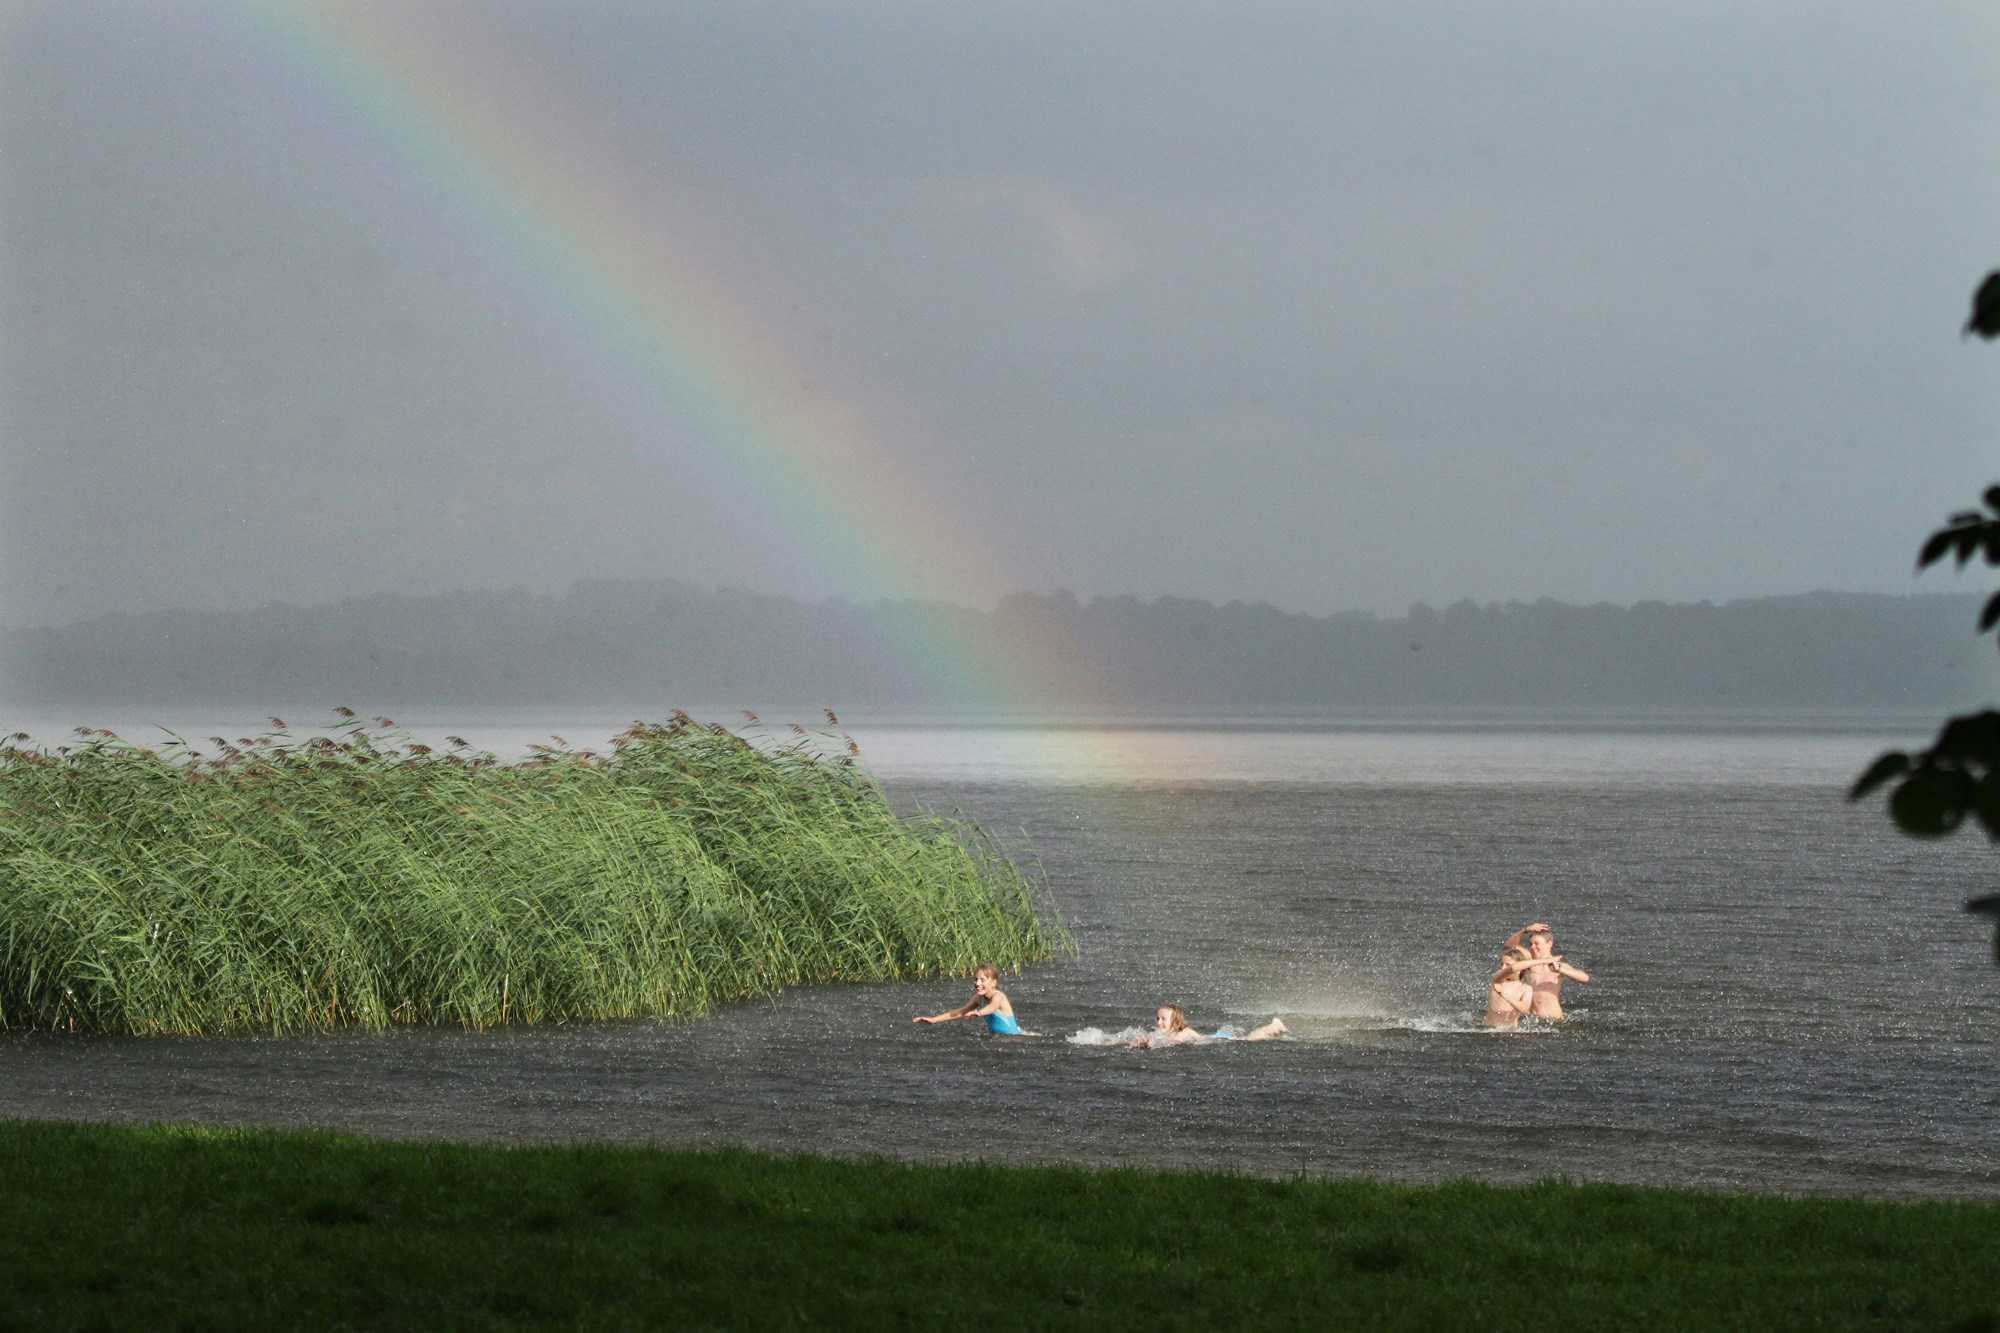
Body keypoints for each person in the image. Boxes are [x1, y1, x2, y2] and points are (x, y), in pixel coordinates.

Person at [912, 963, 1036, 1036]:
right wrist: (934, 1019)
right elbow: (960, 1012)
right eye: (976, 979)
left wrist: (978, 1013)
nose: (977, 983)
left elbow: (992, 1007)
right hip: (998, 1038)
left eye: (982, 980)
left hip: (1013, 1038)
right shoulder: (978, 998)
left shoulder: (999, 996)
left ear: (993, 982)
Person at [1517, 925, 1590, 1020]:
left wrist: (1560, 969)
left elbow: (1585, 978)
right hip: (1531, 1022)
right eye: (1531, 944)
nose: (1532, 947)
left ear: (1549, 943)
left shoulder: (1558, 964)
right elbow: (1509, 946)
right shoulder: (1528, 963)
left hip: (1553, 1020)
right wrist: (1525, 930)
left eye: (1536, 943)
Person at [1130, 1004, 1288, 1048]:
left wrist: (1152, 1044)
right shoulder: (1163, 1033)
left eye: (1163, 1019)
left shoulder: (1185, 1032)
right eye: (1157, 1018)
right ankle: (1275, 1029)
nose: (1158, 1022)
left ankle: (1273, 1027)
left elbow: (1173, 1043)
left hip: (1218, 1039)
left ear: (1175, 1020)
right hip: (1215, 1038)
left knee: (1247, 1040)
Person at [1483, 949, 1535, 1028]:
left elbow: (1525, 1010)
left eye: (1507, 965)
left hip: (1509, 1031)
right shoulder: (1498, 980)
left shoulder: (1525, 988)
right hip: (1488, 1028)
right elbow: (1512, 968)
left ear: (1520, 969)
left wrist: (1506, 996)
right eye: (1502, 964)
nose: (1503, 968)